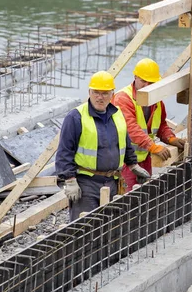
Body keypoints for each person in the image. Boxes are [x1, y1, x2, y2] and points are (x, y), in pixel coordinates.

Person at [56, 71, 151, 220]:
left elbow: (124, 141)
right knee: (84, 227)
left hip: (112, 181)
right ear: (89, 92)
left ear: (112, 94)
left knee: (109, 226)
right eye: (96, 92)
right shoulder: (76, 117)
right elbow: (64, 151)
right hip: (86, 183)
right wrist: (69, 180)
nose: (100, 97)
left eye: (105, 93)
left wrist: (133, 165)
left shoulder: (117, 114)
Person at [113, 58, 186, 191]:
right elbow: (131, 129)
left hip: (144, 158)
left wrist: (170, 138)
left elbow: (161, 125)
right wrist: (152, 146)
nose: (147, 85)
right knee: (128, 199)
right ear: (135, 77)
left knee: (146, 195)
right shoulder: (123, 99)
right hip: (124, 160)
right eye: (143, 81)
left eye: (151, 82)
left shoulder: (156, 100)